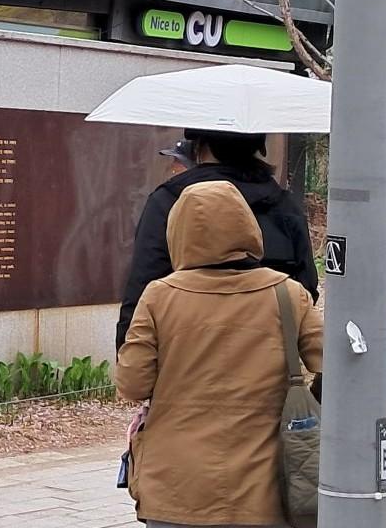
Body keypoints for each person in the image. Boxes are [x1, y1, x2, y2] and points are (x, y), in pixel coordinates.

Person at [117, 180, 323, 528]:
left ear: (178, 234)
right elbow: (336, 368)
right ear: (247, 227)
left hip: (175, 487)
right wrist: (307, 405)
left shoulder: (158, 297)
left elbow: (133, 383)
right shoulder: (288, 294)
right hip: (266, 488)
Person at [116, 130, 318, 350]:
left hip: (183, 364)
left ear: (201, 146)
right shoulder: (284, 206)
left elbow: (141, 293)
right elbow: (306, 291)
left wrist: (128, 359)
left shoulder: (169, 201)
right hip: (267, 367)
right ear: (259, 147)